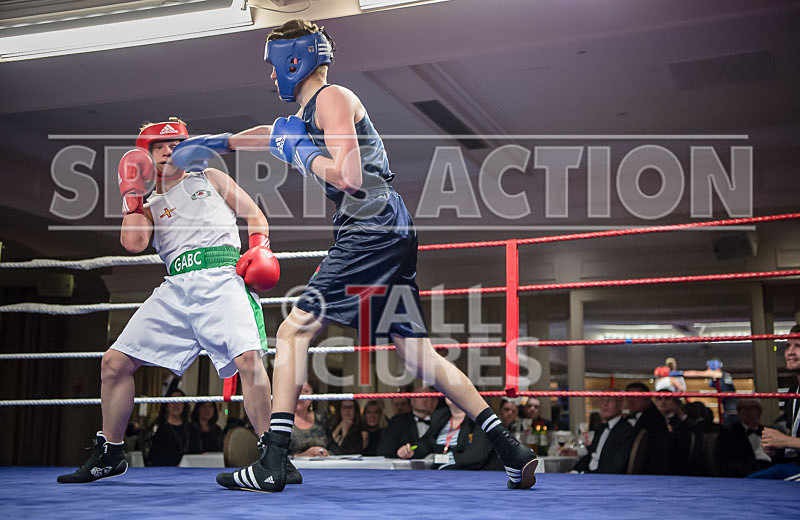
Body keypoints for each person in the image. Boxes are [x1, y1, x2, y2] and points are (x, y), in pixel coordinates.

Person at [171, 19, 538, 492]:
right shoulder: (306, 116)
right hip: (385, 227)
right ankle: (510, 447)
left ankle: (273, 460)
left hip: (370, 223)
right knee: (419, 355)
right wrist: (216, 144)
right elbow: (271, 134)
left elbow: (347, 175)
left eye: (273, 65)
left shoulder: (333, 98)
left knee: (292, 330)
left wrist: (301, 152)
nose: (270, 76)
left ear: (294, 61)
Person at [56, 118, 284, 484]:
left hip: (221, 276)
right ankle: (112, 452)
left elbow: (255, 215)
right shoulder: (147, 206)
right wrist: (132, 197)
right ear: (144, 157)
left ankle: (273, 455)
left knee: (249, 359)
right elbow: (132, 244)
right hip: (176, 287)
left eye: (175, 144)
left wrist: (259, 245)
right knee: (114, 363)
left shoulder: (210, 178)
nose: (167, 151)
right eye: (159, 147)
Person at [749, 324, 800, 479]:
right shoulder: (793, 391)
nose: (790, 352)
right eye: (787, 346)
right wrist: (776, 448)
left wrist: (786, 441)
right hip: (794, 465)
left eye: (797, 346)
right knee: (747, 485)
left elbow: (791, 441)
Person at [397, 398, 503, 471]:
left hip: (472, 477)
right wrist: (412, 450)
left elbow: (475, 456)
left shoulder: (479, 418)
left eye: (455, 387)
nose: (449, 391)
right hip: (443, 475)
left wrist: (443, 462)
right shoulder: (440, 415)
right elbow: (428, 442)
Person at [569, 396, 635, 474]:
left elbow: (616, 466)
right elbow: (591, 455)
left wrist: (585, 474)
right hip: (590, 474)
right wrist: (574, 470)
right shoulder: (601, 429)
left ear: (620, 404)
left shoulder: (626, 430)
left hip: (604, 479)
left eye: (610, 400)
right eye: (602, 400)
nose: (605, 404)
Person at [376, 383, 438, 457]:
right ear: (412, 400)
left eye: (430, 396)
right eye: (420, 395)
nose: (425, 399)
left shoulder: (442, 421)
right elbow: (385, 451)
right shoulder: (398, 422)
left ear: (435, 401)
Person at [623, 382, 670, 474]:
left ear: (647, 398)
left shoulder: (653, 421)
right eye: (628, 397)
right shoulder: (634, 417)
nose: (631, 401)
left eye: (636, 397)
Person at [147, 390, 203, 466]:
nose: (176, 404)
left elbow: (197, 454)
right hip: (163, 472)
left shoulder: (192, 429)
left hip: (188, 472)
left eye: (179, 401)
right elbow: (151, 456)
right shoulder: (158, 428)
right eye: (172, 400)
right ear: (166, 405)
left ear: (184, 405)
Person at [290, 382, 339, 458]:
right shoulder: (285, 419)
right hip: (294, 467)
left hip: (322, 465)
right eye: (297, 391)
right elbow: (276, 454)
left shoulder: (320, 417)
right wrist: (303, 455)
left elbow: (332, 446)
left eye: (305, 391)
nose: (301, 395)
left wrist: (327, 453)